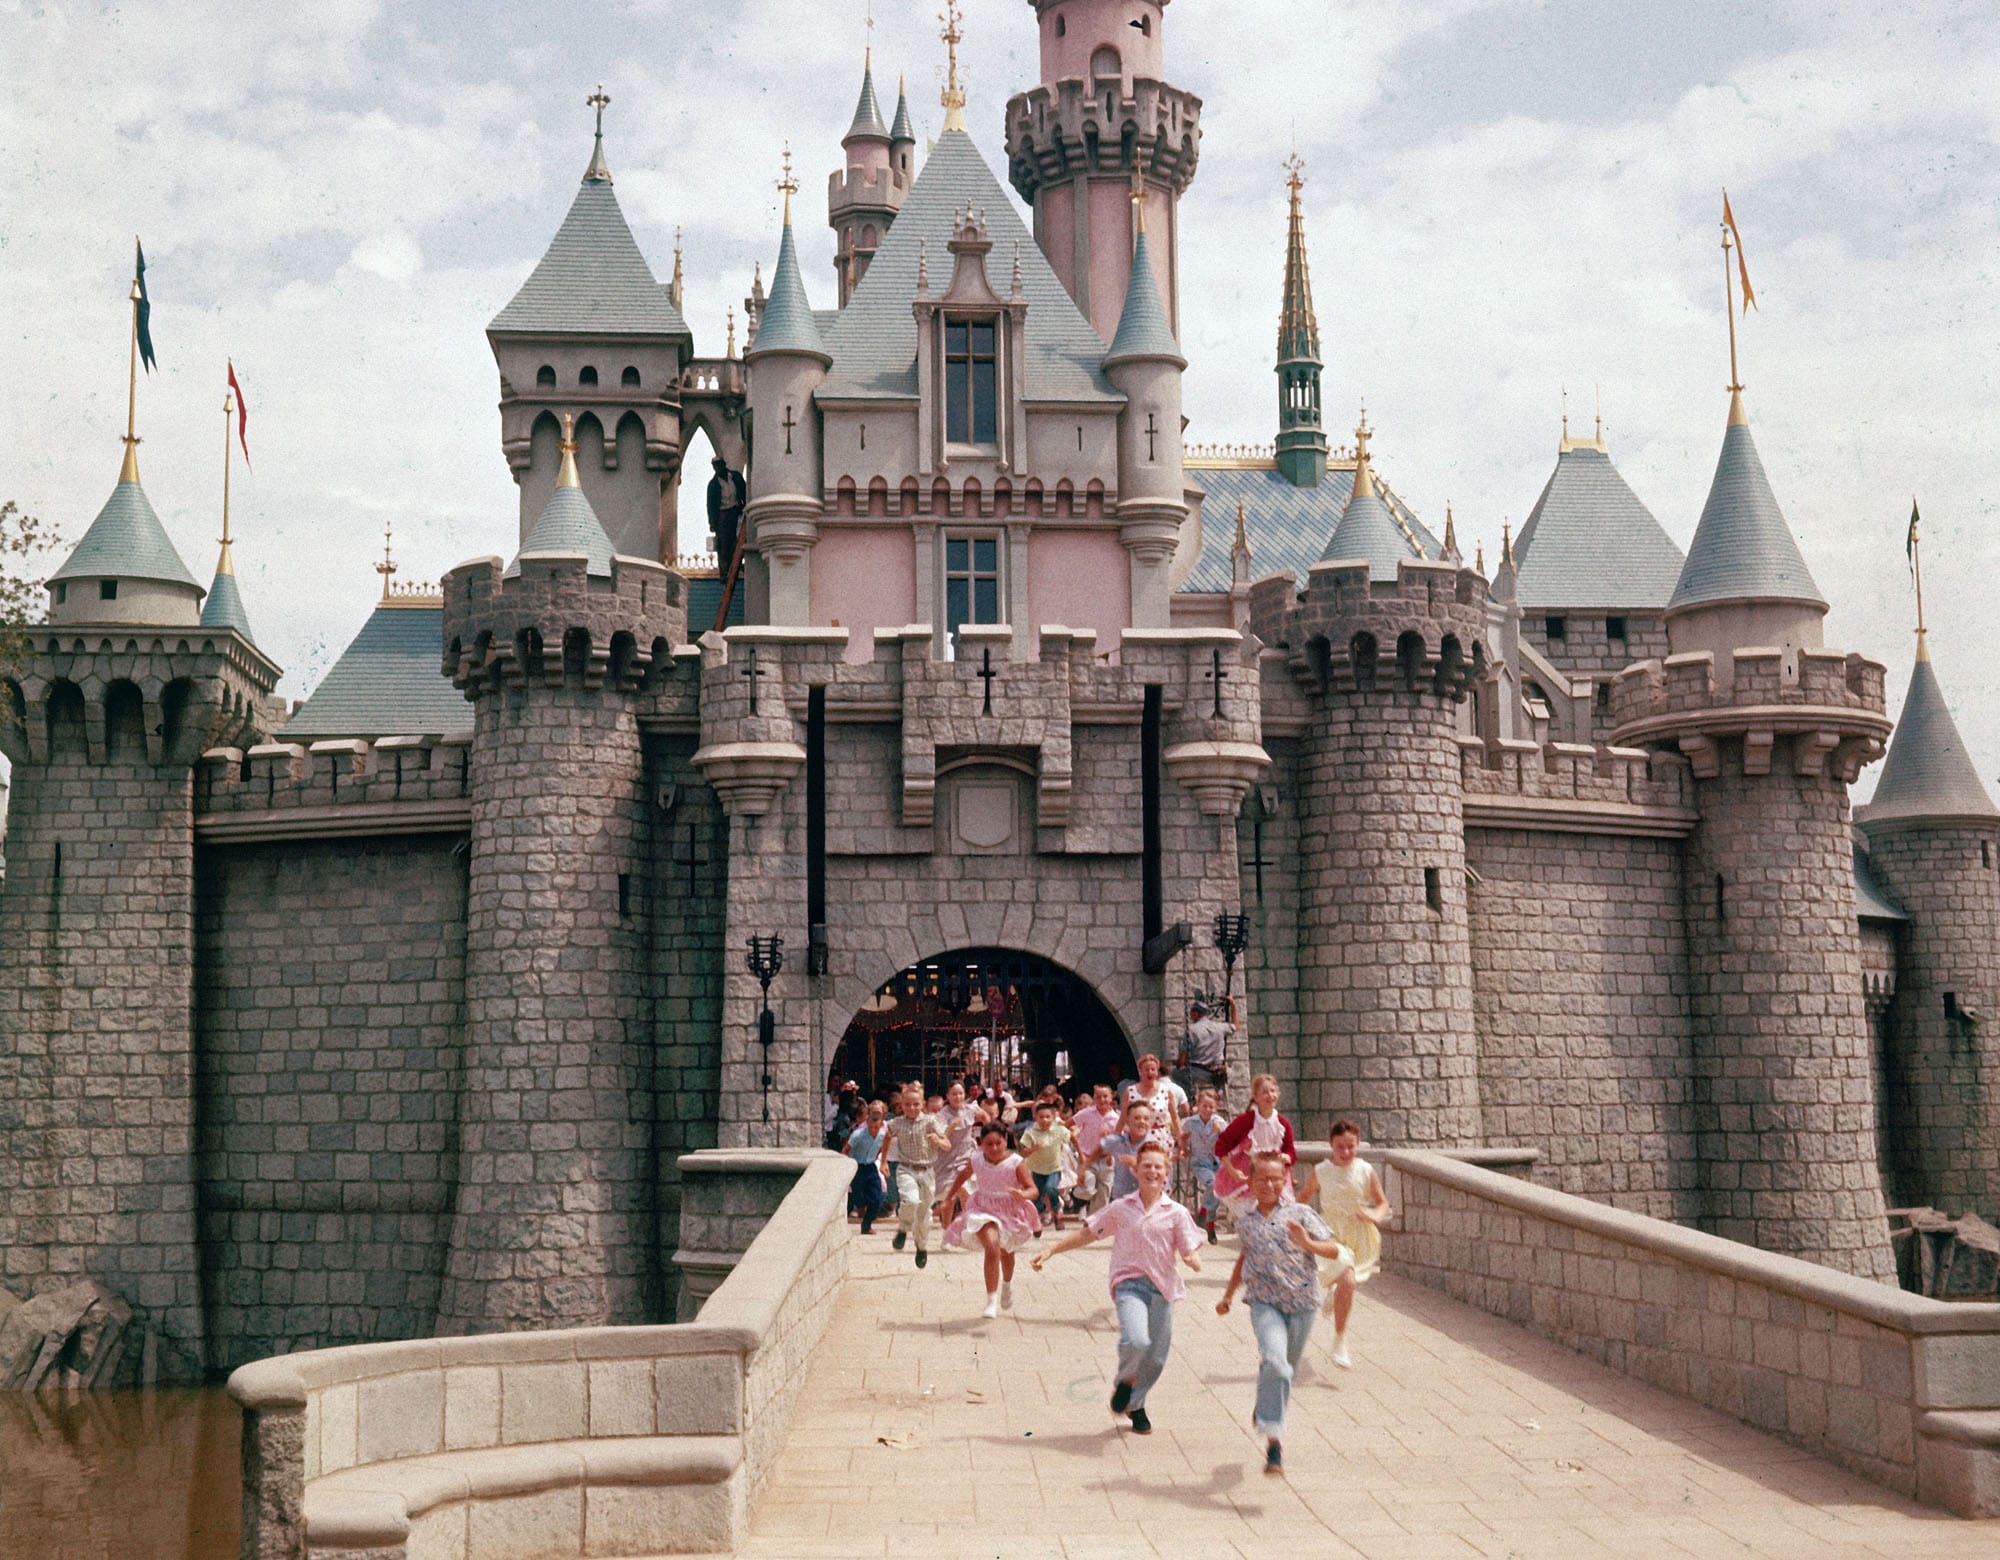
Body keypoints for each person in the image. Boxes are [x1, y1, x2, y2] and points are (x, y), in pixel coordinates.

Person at [1032, 1140, 1202, 1435]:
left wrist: (1192, 1258)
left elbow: (1189, 1248)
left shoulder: (1176, 1212)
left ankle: (1136, 1404)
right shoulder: (1122, 1208)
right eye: (1146, 1166)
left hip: (1163, 1289)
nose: (1151, 1171)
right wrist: (1051, 1251)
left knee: (1157, 1357)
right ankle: (1125, 1383)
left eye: (1157, 1167)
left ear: (1166, 1173)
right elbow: (1088, 1233)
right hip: (1130, 1285)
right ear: (1135, 1170)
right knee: (1136, 1341)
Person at [1215, 1152, 1352, 1476]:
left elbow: (1335, 1250)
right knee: (1275, 1363)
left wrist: (1308, 1243)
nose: (1269, 1184)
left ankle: (1265, 1405)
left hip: (1303, 1303)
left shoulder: (1301, 1214)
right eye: (1261, 1178)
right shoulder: (1246, 1222)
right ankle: (1273, 1440)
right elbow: (1244, 1258)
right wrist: (1228, 1295)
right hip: (1265, 1303)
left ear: (1286, 1181)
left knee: (1283, 1370)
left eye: (1276, 1178)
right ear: (1250, 1182)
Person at [1296, 1117, 1394, 1368]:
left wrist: (1373, 1215)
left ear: (1358, 1145)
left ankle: (1335, 1291)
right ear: (1331, 1145)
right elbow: (1303, 1200)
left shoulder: (1365, 1170)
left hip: (1360, 1237)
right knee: (1348, 1280)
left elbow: (1382, 1203)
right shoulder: (1321, 1171)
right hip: (1331, 1235)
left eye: (1351, 1146)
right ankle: (1340, 1341)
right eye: (1340, 1146)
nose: (1346, 1152)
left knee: (1347, 1283)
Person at [943, 1122, 1042, 1317]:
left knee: (1006, 1252)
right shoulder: (977, 1160)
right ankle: (991, 1300)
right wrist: (948, 1198)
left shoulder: (1016, 1162)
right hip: (982, 1207)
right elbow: (962, 1177)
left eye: (998, 1143)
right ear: (981, 1144)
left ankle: (1006, 1285)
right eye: (989, 1144)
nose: (994, 1148)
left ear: (1006, 1141)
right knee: (991, 1246)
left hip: (1009, 1211)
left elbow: (1033, 1189)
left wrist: (1022, 1194)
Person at [1210, 1074, 1298, 1215]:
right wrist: (1232, 1171)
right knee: (1253, 1213)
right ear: (1256, 1097)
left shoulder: (1283, 1124)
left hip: (1275, 1175)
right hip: (1250, 1175)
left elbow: (1290, 1150)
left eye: (1273, 1091)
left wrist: (1287, 1157)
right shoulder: (1245, 1121)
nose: (1270, 1096)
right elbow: (1221, 1146)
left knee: (1281, 1214)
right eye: (1265, 1092)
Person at [885, 1088, 949, 1268]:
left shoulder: (931, 1122)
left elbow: (946, 1144)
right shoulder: (897, 1123)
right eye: (907, 1104)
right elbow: (887, 1137)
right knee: (910, 1200)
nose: (912, 1108)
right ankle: (903, 1229)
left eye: (916, 1104)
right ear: (901, 1106)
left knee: (924, 1214)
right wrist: (883, 1161)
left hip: (927, 1171)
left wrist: (938, 1141)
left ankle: (921, 1246)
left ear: (922, 1104)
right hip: (906, 1168)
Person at [932, 1081, 987, 1223]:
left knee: (965, 1190)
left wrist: (987, 1133)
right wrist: (952, 1126)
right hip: (947, 1158)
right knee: (949, 1195)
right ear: (948, 1096)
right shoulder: (942, 1115)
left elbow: (986, 1117)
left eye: (961, 1093)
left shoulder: (969, 1109)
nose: (958, 1097)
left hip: (966, 1156)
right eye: (954, 1094)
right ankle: (946, 1227)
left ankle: (969, 1223)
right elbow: (940, 1137)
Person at [1018, 1099, 1073, 1231]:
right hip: (1036, 1170)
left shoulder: (1059, 1130)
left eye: (1048, 1117)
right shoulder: (1031, 1132)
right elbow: (1024, 1152)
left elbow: (1071, 1135)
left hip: (1054, 1168)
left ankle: (1057, 1212)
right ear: (1035, 1117)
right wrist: (1034, 1148)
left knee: (1051, 1188)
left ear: (1054, 1117)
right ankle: (1042, 1211)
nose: (1044, 1120)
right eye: (1041, 1117)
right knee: (1036, 1197)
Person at [1180, 1088, 1224, 1242]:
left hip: (1217, 1163)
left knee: (1219, 1189)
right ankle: (1205, 1214)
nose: (1207, 1110)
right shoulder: (1191, 1122)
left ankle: (1209, 1223)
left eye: (1211, 1107)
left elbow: (1229, 1140)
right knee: (1213, 1184)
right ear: (1198, 1105)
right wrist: (1183, 1148)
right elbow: (1180, 1134)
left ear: (1215, 1108)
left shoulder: (1218, 1122)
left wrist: (1219, 1132)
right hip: (1200, 1163)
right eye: (1204, 1106)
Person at [1071, 1084, 1120, 1215]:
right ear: (1094, 1098)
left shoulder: (1116, 1119)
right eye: (1098, 1097)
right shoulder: (1086, 1114)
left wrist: (1111, 1154)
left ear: (1111, 1098)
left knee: (1104, 1194)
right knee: (1086, 1189)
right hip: (1087, 1157)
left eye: (1105, 1096)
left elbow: (1119, 1140)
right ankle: (1080, 1200)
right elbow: (1068, 1124)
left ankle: (1092, 1222)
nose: (1102, 1100)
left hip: (1106, 1159)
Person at [1179, 995, 1237, 1103]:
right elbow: (1235, 1025)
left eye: (1191, 1012)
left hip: (1198, 1072)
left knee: (1177, 1074)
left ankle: (1190, 1100)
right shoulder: (1220, 1027)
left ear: (1197, 1013)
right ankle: (1218, 1097)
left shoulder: (1191, 1030)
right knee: (1229, 1074)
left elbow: (1182, 1059)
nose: (1190, 1015)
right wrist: (1233, 1004)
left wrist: (1179, 1065)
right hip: (1217, 1073)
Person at [1091, 1100, 1152, 1203]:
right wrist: (1085, 1166)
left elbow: (1155, 1175)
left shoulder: (1153, 1146)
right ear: (1127, 1121)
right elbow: (1101, 1146)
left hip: (1143, 1198)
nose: (1142, 1121)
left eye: (1146, 1119)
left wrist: (1135, 1165)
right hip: (1120, 1196)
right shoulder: (1118, 1141)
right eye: (1137, 1118)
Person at [844, 1102, 890, 1234]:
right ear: (867, 1121)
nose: (874, 1130)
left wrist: (882, 1161)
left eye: (877, 1127)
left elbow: (885, 1145)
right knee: (859, 1198)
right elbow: (846, 1149)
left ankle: (867, 1225)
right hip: (857, 1167)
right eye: (872, 1126)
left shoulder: (882, 1134)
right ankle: (861, 1210)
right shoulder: (858, 1134)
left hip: (870, 1166)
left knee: (876, 1199)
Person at [1120, 1053, 1188, 1136]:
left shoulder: (1166, 1092)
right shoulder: (1130, 1092)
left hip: (1160, 1138)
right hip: (1137, 1138)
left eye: (1153, 1069)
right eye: (1147, 1069)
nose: (1150, 1072)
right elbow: (1123, 1118)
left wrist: (1181, 1139)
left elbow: (1175, 1118)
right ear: (1140, 1071)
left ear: (1157, 1072)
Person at [706, 454, 746, 577]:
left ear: (724, 465)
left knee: (738, 539)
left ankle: (738, 564)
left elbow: (744, 490)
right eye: (715, 466)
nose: (718, 468)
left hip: (736, 511)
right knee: (724, 543)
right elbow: (711, 505)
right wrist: (712, 523)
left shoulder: (735, 477)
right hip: (722, 515)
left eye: (720, 465)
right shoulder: (713, 485)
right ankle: (724, 571)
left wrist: (744, 505)